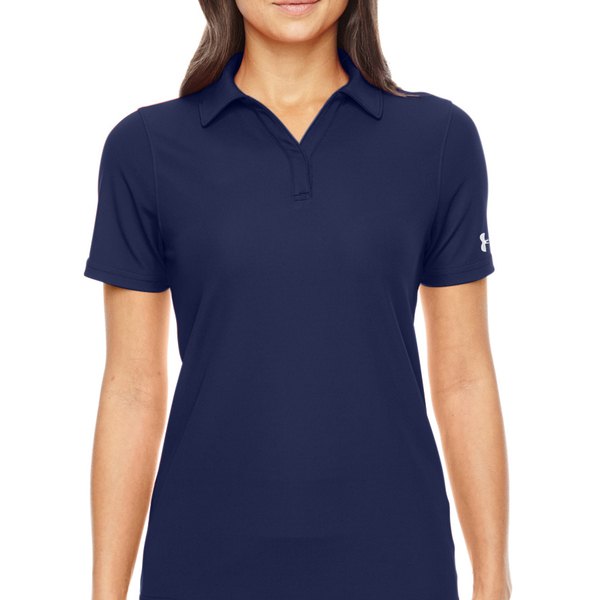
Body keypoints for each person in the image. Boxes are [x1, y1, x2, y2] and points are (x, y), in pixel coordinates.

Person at [84, 1, 512, 599]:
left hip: (396, 562)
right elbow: (132, 391)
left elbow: (464, 377)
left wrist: (493, 578)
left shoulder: (438, 140)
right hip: (203, 563)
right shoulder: (146, 149)